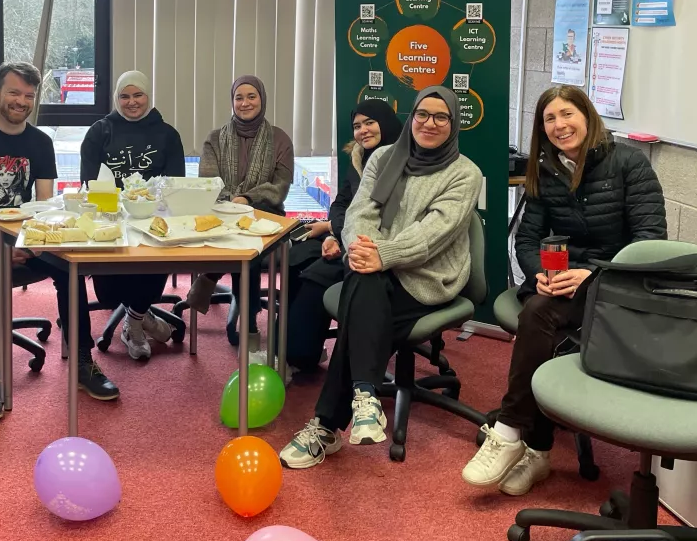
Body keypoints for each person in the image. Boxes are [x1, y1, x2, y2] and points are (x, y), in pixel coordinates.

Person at [462, 85, 666, 496]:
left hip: (617, 284)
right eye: (549, 119)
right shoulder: (546, 168)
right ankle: (533, 448)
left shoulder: (628, 163)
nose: (559, 125)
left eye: (567, 114)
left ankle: (514, 433)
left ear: (587, 116)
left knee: (537, 318)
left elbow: (651, 240)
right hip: (559, 284)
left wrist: (590, 274)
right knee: (540, 311)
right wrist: (539, 272)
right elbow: (526, 239)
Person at [279, 86, 482, 469]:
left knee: (359, 306)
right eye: (423, 114)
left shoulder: (464, 174)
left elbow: (433, 232)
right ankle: (364, 399)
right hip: (374, 266)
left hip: (428, 275)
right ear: (412, 117)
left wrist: (382, 254)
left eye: (442, 117)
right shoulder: (385, 157)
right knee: (363, 283)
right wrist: (360, 249)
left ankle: (327, 424)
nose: (430, 123)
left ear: (453, 124)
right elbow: (360, 212)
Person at [0, 61, 118, 421]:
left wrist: (35, 240)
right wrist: (3, 244)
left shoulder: (40, 142)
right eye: (14, 92)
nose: (21, 101)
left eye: (28, 95)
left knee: (71, 267)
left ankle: (83, 361)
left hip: (22, 231)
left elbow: (45, 204)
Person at [284, 99, 404, 373]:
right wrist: (334, 233)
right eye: (357, 126)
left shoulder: (401, 161)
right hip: (345, 234)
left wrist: (339, 237)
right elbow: (341, 204)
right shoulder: (359, 157)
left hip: (376, 247)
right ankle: (298, 349)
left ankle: (298, 356)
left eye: (370, 123)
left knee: (316, 275)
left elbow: (385, 218)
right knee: (295, 258)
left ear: (385, 122)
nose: (363, 131)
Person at [80, 70, 185, 360]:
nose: (132, 102)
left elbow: (174, 184)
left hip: (152, 220)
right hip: (110, 219)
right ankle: (142, 316)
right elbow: (89, 184)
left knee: (150, 265)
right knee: (108, 295)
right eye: (124, 96)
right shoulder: (99, 131)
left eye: (138, 94)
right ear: (116, 98)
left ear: (148, 96)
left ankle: (134, 324)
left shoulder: (167, 134)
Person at [187, 75, 294, 351]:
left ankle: (211, 279)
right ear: (232, 102)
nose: (245, 103)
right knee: (242, 238)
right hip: (222, 211)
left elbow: (279, 188)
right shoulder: (215, 139)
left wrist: (247, 197)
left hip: (265, 214)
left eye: (251, 97)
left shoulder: (280, 139)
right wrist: (233, 203)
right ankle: (248, 325)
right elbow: (209, 183)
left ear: (262, 99)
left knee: (251, 241)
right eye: (239, 97)